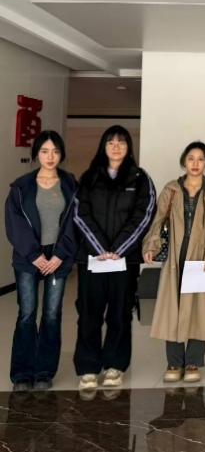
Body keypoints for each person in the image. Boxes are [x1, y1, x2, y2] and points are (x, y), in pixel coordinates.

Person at [73, 125, 156, 390]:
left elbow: (144, 216)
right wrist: (100, 249)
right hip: (92, 259)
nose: (116, 146)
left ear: (129, 147)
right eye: (111, 142)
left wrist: (118, 249)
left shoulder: (140, 179)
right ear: (103, 146)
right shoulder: (89, 178)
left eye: (121, 142)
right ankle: (88, 367)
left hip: (124, 260)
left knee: (120, 314)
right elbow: (80, 214)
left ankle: (115, 365)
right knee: (89, 313)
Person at [142, 142, 205, 383]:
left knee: (201, 309)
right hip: (175, 259)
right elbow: (158, 219)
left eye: (200, 159)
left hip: (202, 259)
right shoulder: (172, 189)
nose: (195, 163)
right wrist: (151, 245)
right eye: (191, 158)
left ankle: (193, 362)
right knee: (173, 308)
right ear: (184, 162)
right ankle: (174, 362)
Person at [4, 131, 77, 391]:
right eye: (45, 151)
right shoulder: (21, 187)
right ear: (36, 154)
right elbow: (14, 224)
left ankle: (45, 371)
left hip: (58, 258)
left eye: (55, 151)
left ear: (61, 154)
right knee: (26, 313)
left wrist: (60, 255)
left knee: (52, 315)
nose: (50, 156)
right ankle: (22, 374)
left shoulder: (71, 185)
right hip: (28, 259)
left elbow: (76, 223)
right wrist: (34, 255)